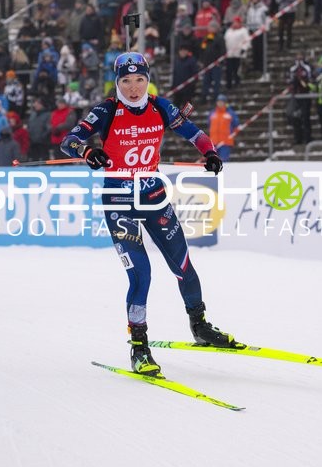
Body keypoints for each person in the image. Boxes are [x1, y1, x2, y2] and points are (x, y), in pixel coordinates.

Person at [60, 52, 234, 376]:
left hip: (152, 195)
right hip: (118, 199)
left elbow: (196, 134)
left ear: (148, 79)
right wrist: (87, 151)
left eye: (140, 79)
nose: (134, 87)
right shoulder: (107, 110)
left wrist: (209, 153)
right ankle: (139, 348)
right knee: (141, 274)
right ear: (117, 83)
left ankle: (200, 325)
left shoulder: (160, 107)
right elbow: (68, 140)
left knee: (183, 265)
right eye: (126, 81)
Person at [207, 94, 240, 161]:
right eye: (218, 101)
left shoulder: (230, 113)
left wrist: (232, 135)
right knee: (213, 162)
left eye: (222, 101)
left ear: (225, 103)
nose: (220, 103)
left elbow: (236, 125)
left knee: (224, 161)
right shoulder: (212, 113)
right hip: (214, 142)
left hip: (225, 142)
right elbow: (209, 125)